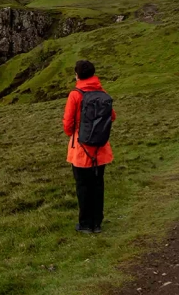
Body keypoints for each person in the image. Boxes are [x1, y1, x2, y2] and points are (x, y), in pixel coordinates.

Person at [63, 60, 115, 233]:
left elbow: (68, 124)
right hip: (101, 148)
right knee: (98, 185)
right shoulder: (101, 91)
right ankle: (97, 223)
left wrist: (75, 132)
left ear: (77, 75)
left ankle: (85, 224)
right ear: (93, 74)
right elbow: (112, 116)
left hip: (81, 149)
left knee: (83, 187)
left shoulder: (75, 94)